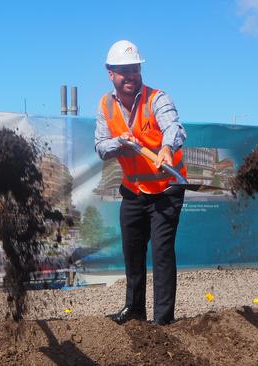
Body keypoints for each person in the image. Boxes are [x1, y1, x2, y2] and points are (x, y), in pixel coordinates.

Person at [94, 40, 187, 326]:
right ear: (111, 73)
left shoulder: (157, 98)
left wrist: (167, 148)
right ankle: (134, 310)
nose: (131, 75)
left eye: (135, 69)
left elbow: (174, 127)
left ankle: (162, 321)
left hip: (166, 190)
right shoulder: (106, 105)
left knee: (161, 253)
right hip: (133, 192)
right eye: (124, 71)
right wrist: (119, 144)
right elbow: (100, 146)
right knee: (133, 253)